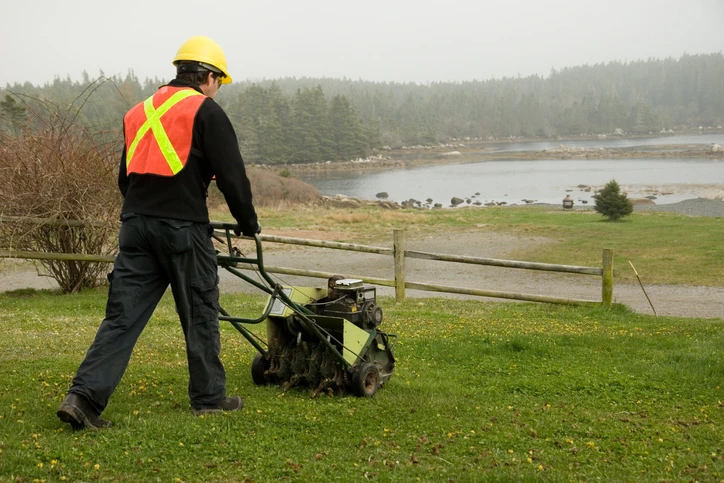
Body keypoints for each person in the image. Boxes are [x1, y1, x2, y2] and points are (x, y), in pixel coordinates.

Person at [57, 36, 260, 430]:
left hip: (135, 226)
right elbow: (233, 178)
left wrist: (147, 214)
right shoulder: (206, 111)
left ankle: (82, 399)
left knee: (121, 318)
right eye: (219, 81)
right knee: (200, 310)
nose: (218, 89)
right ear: (208, 76)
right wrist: (248, 223)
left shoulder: (139, 112)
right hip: (182, 231)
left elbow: (125, 177)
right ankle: (209, 398)